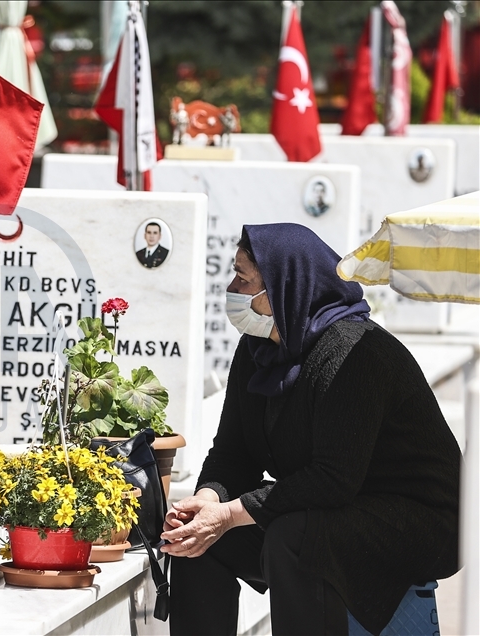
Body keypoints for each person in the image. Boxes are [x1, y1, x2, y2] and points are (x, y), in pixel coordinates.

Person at [163, 223, 461, 635]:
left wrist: (229, 514)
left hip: (418, 518)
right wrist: (206, 502)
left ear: (285, 287)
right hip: (338, 505)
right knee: (197, 543)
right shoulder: (259, 348)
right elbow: (232, 452)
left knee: (293, 536)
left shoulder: (356, 351)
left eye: (244, 278)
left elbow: (334, 478)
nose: (231, 287)